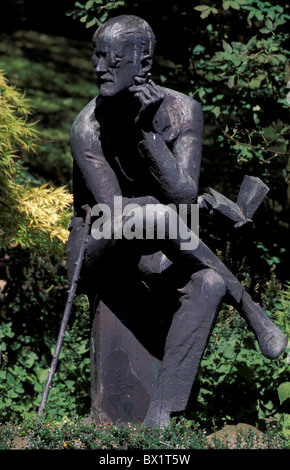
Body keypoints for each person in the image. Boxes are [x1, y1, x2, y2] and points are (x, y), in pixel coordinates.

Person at [67, 15, 287, 428]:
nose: (98, 69)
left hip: (162, 247)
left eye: (111, 60)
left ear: (143, 63)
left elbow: (184, 194)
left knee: (209, 283)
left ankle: (161, 417)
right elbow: (118, 214)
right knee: (152, 212)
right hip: (100, 251)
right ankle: (252, 309)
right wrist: (164, 205)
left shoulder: (185, 111)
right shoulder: (88, 127)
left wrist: (146, 136)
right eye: (96, 57)